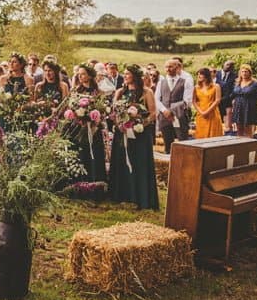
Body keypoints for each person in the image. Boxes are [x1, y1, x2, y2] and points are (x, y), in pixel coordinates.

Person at [109, 65, 158, 210]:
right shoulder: (120, 92)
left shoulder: (146, 92)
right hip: (122, 132)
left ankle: (140, 196)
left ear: (135, 76)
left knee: (139, 163)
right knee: (122, 162)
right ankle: (121, 195)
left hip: (140, 134)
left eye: (128, 74)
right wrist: (119, 123)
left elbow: (153, 113)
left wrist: (141, 123)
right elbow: (113, 112)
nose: (125, 76)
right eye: (124, 74)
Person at [71, 64, 107, 181]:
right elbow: (71, 107)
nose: (80, 76)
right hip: (79, 127)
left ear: (90, 76)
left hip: (94, 128)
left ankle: (95, 181)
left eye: (83, 74)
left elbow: (103, 111)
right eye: (79, 74)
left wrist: (95, 122)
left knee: (94, 154)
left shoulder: (99, 92)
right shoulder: (76, 90)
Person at [155, 58, 192, 153]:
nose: (168, 69)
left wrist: (171, 110)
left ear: (177, 67)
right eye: (166, 67)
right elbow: (157, 99)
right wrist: (164, 111)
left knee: (183, 141)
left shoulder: (185, 81)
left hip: (179, 116)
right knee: (168, 144)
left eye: (170, 66)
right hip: (164, 117)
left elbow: (187, 101)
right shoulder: (161, 82)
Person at [232, 64, 257, 138]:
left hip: (249, 108)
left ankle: (248, 148)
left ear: (250, 72)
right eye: (242, 71)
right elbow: (234, 94)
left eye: (246, 71)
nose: (244, 73)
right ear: (240, 73)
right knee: (239, 129)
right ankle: (240, 148)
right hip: (238, 108)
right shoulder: (237, 83)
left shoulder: (255, 84)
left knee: (248, 130)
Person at [193, 67, 223, 138]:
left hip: (212, 113)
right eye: (198, 74)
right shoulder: (196, 87)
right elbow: (194, 101)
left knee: (213, 134)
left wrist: (207, 112)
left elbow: (217, 100)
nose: (199, 76)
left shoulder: (216, 86)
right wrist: (201, 112)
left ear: (206, 75)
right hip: (201, 114)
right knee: (201, 134)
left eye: (201, 74)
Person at [215, 60, 237, 134]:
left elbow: (235, 89)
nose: (229, 66)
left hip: (228, 100)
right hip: (216, 100)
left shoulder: (235, 76)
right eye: (227, 64)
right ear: (223, 64)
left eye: (231, 65)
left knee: (228, 121)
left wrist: (229, 98)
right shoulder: (216, 74)